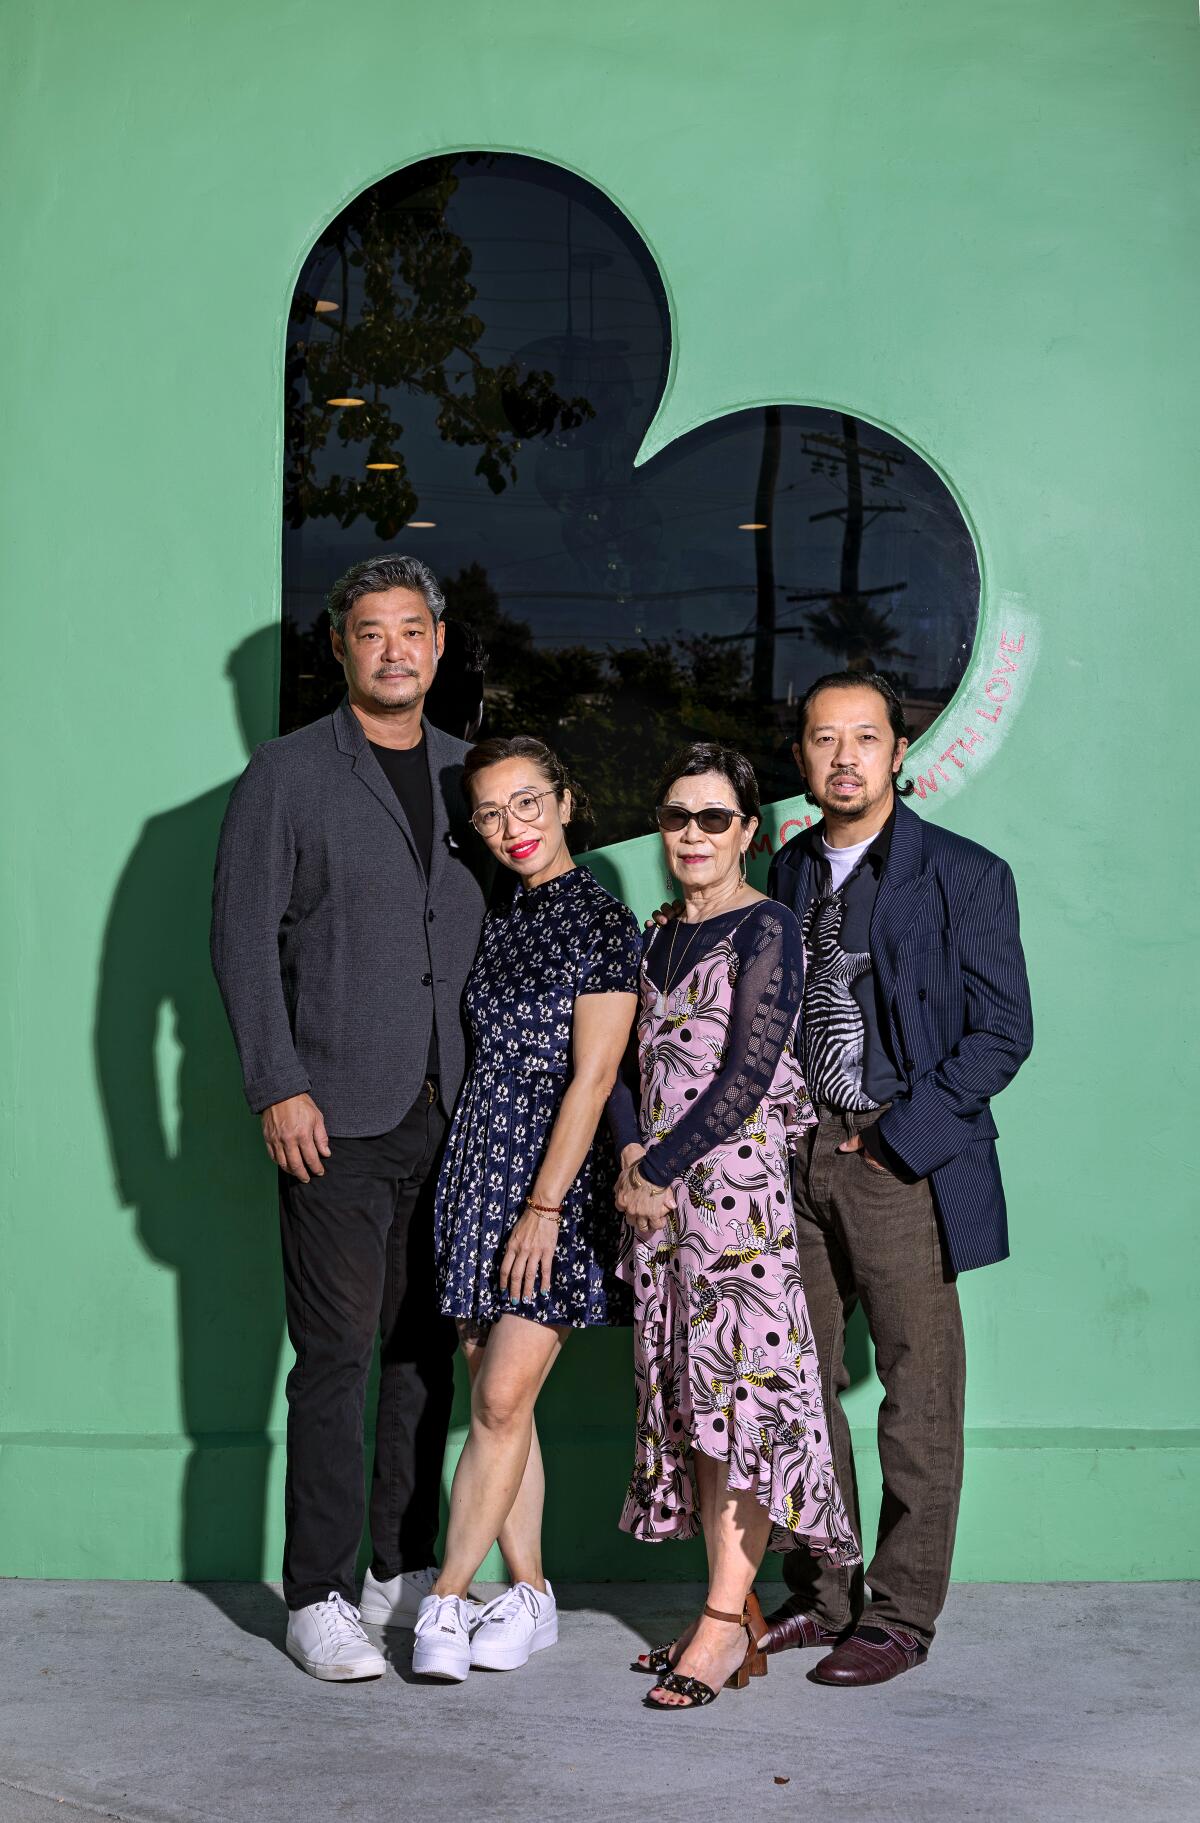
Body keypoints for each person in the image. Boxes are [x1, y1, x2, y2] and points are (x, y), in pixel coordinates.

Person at [211, 553, 491, 1682]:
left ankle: (402, 1566)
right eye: (368, 630)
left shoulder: (477, 776)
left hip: (455, 1107)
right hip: (334, 1111)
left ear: (437, 641)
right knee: (335, 1355)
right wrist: (277, 1082)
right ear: (340, 646)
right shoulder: (285, 775)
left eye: (410, 629)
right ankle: (317, 1592)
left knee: (426, 1353)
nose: (392, 648)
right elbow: (241, 937)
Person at [758, 671, 1033, 1685]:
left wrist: (895, 1138)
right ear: (802, 757)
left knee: (919, 1391)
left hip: (900, 1153)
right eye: (824, 740)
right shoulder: (784, 873)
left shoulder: (963, 874)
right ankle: (820, 1590)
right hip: (793, 1153)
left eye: (864, 738)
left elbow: (1004, 1032)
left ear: (898, 751)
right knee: (797, 1383)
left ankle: (900, 1615)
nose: (844, 758)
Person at [610, 743, 860, 1712]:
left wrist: (660, 1166)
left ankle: (720, 1620)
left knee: (744, 1406)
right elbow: (629, 1065)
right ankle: (733, 1609)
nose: (694, 834)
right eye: (678, 816)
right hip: (658, 1208)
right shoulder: (653, 929)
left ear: (750, 830)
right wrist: (634, 1160)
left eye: (716, 818)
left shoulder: (769, 929)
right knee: (696, 1406)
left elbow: (747, 1075)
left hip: (736, 1210)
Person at [411, 737, 641, 1681]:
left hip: (554, 1178)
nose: (512, 827)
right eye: (490, 813)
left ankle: (444, 1599)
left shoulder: (599, 916)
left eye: (528, 803)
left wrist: (546, 1207)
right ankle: (533, 1591)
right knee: (499, 1405)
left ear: (566, 798)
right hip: (476, 1168)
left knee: (502, 1396)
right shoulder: (502, 914)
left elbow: (594, 1077)